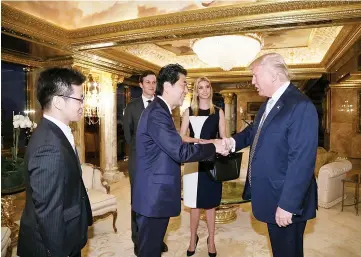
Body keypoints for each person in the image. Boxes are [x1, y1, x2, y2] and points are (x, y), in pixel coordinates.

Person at [225, 53, 318, 257]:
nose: (252, 81)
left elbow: (301, 161)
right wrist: (231, 142)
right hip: (271, 194)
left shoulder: (300, 106)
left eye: (256, 75)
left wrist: (287, 205)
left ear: (274, 75)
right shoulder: (270, 103)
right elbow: (253, 133)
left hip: (284, 199)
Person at [132, 64, 228, 257]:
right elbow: (180, 152)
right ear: (168, 86)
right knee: (149, 251)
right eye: (183, 84)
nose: (186, 90)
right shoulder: (158, 113)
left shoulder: (160, 110)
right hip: (153, 198)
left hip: (155, 196)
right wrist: (214, 146)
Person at [17, 67, 93, 257]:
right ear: (59, 102)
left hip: (68, 232)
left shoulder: (56, 131)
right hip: (52, 246)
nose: (83, 104)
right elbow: (49, 212)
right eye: (80, 98)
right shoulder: (48, 147)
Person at [123, 71, 168, 255]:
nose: (151, 85)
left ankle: (156, 239)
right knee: (138, 201)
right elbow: (128, 136)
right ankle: (138, 239)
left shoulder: (162, 105)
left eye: (154, 82)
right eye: (147, 82)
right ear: (141, 85)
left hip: (159, 163)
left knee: (157, 201)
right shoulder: (131, 107)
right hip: (139, 163)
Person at [180, 77, 225, 257]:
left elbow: (224, 138)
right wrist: (198, 141)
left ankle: (211, 240)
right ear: (196, 91)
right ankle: (192, 239)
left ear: (211, 89)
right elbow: (182, 136)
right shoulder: (188, 111)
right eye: (200, 87)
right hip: (193, 160)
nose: (204, 90)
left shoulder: (219, 112)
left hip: (211, 161)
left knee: (210, 205)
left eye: (207, 86)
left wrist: (215, 142)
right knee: (194, 205)